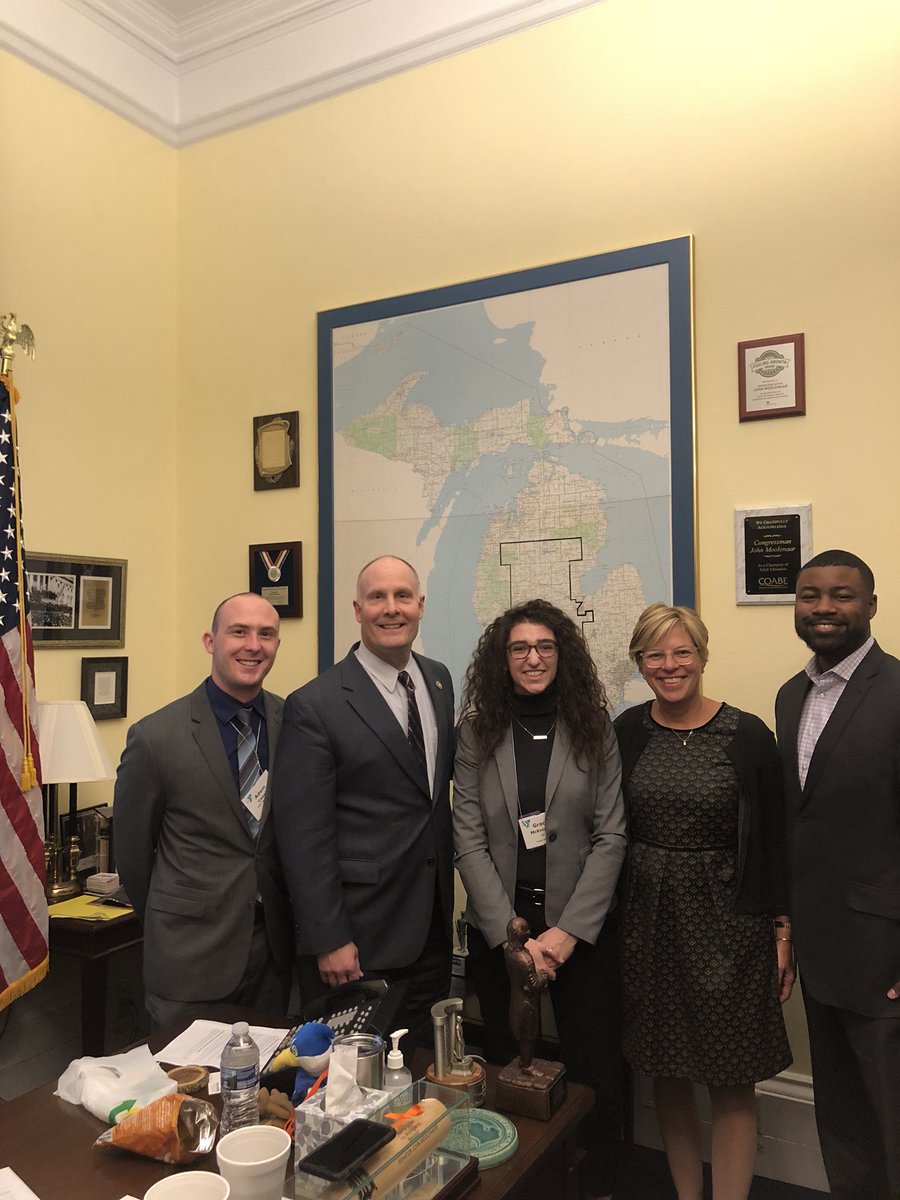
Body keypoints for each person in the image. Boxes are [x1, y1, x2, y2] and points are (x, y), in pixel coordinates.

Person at [615, 602, 792, 1200]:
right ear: (640, 662)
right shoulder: (626, 732)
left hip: (730, 925)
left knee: (732, 1075)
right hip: (649, 922)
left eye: (681, 652)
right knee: (668, 1070)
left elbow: (774, 838)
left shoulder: (746, 735)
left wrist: (782, 932)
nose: (669, 665)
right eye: (655, 654)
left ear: (702, 655)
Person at [453, 599, 626, 1200]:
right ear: (502, 659)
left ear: (563, 655)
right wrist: (507, 934)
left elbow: (612, 835)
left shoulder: (594, 727)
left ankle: (599, 1182)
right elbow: (468, 838)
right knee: (503, 1059)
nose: (533, 657)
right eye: (520, 647)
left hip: (579, 930)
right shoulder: (476, 731)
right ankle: (512, 1181)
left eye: (545, 646)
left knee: (597, 1064)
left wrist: (568, 931)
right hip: (500, 927)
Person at [272, 555, 455, 1048]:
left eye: (402, 596)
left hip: (431, 930)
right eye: (377, 597)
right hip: (359, 940)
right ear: (357, 609)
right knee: (352, 1087)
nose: (390, 609)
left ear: (420, 606)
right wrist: (328, 938)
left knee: (418, 1073)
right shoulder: (316, 704)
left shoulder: (438, 681)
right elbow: (302, 835)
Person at [776, 549, 900, 1199]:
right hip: (822, 957)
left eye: (842, 595)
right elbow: (803, 825)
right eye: (809, 594)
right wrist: (788, 931)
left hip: (885, 963)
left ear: (871, 606)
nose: (824, 607)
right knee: (843, 1124)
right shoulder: (790, 696)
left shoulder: (898, 691)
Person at [114, 593, 293, 1028]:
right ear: (210, 641)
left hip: (273, 956)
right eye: (239, 632)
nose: (253, 645)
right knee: (186, 1094)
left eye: (266, 634)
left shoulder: (294, 722)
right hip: (190, 961)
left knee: (267, 1091)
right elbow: (133, 858)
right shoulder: (157, 737)